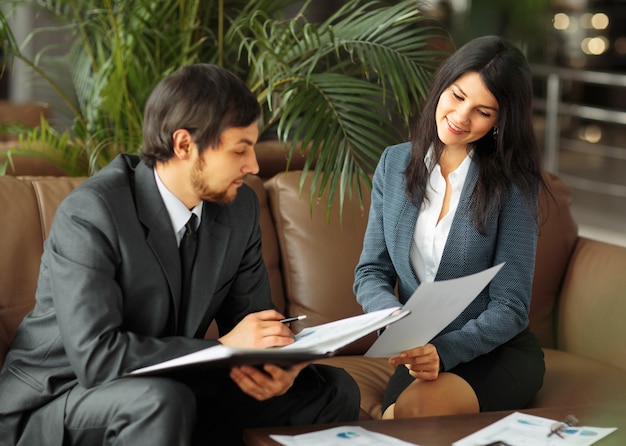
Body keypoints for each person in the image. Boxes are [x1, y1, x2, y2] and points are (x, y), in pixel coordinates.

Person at [0, 64, 360, 445]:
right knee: (160, 402)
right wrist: (224, 347)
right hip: (59, 398)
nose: (253, 166)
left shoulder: (239, 209)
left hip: (170, 387)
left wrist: (277, 364)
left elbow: (252, 324)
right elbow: (97, 358)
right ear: (184, 144)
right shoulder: (92, 211)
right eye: (240, 149)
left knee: (331, 388)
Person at [353, 35, 546, 419]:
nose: (461, 117)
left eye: (483, 111)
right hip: (417, 353)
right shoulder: (394, 164)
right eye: (457, 96)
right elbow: (371, 272)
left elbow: (510, 306)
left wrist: (445, 351)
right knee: (402, 418)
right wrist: (395, 325)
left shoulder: (514, 183)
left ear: (499, 122)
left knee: (417, 416)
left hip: (494, 350)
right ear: (442, 85)